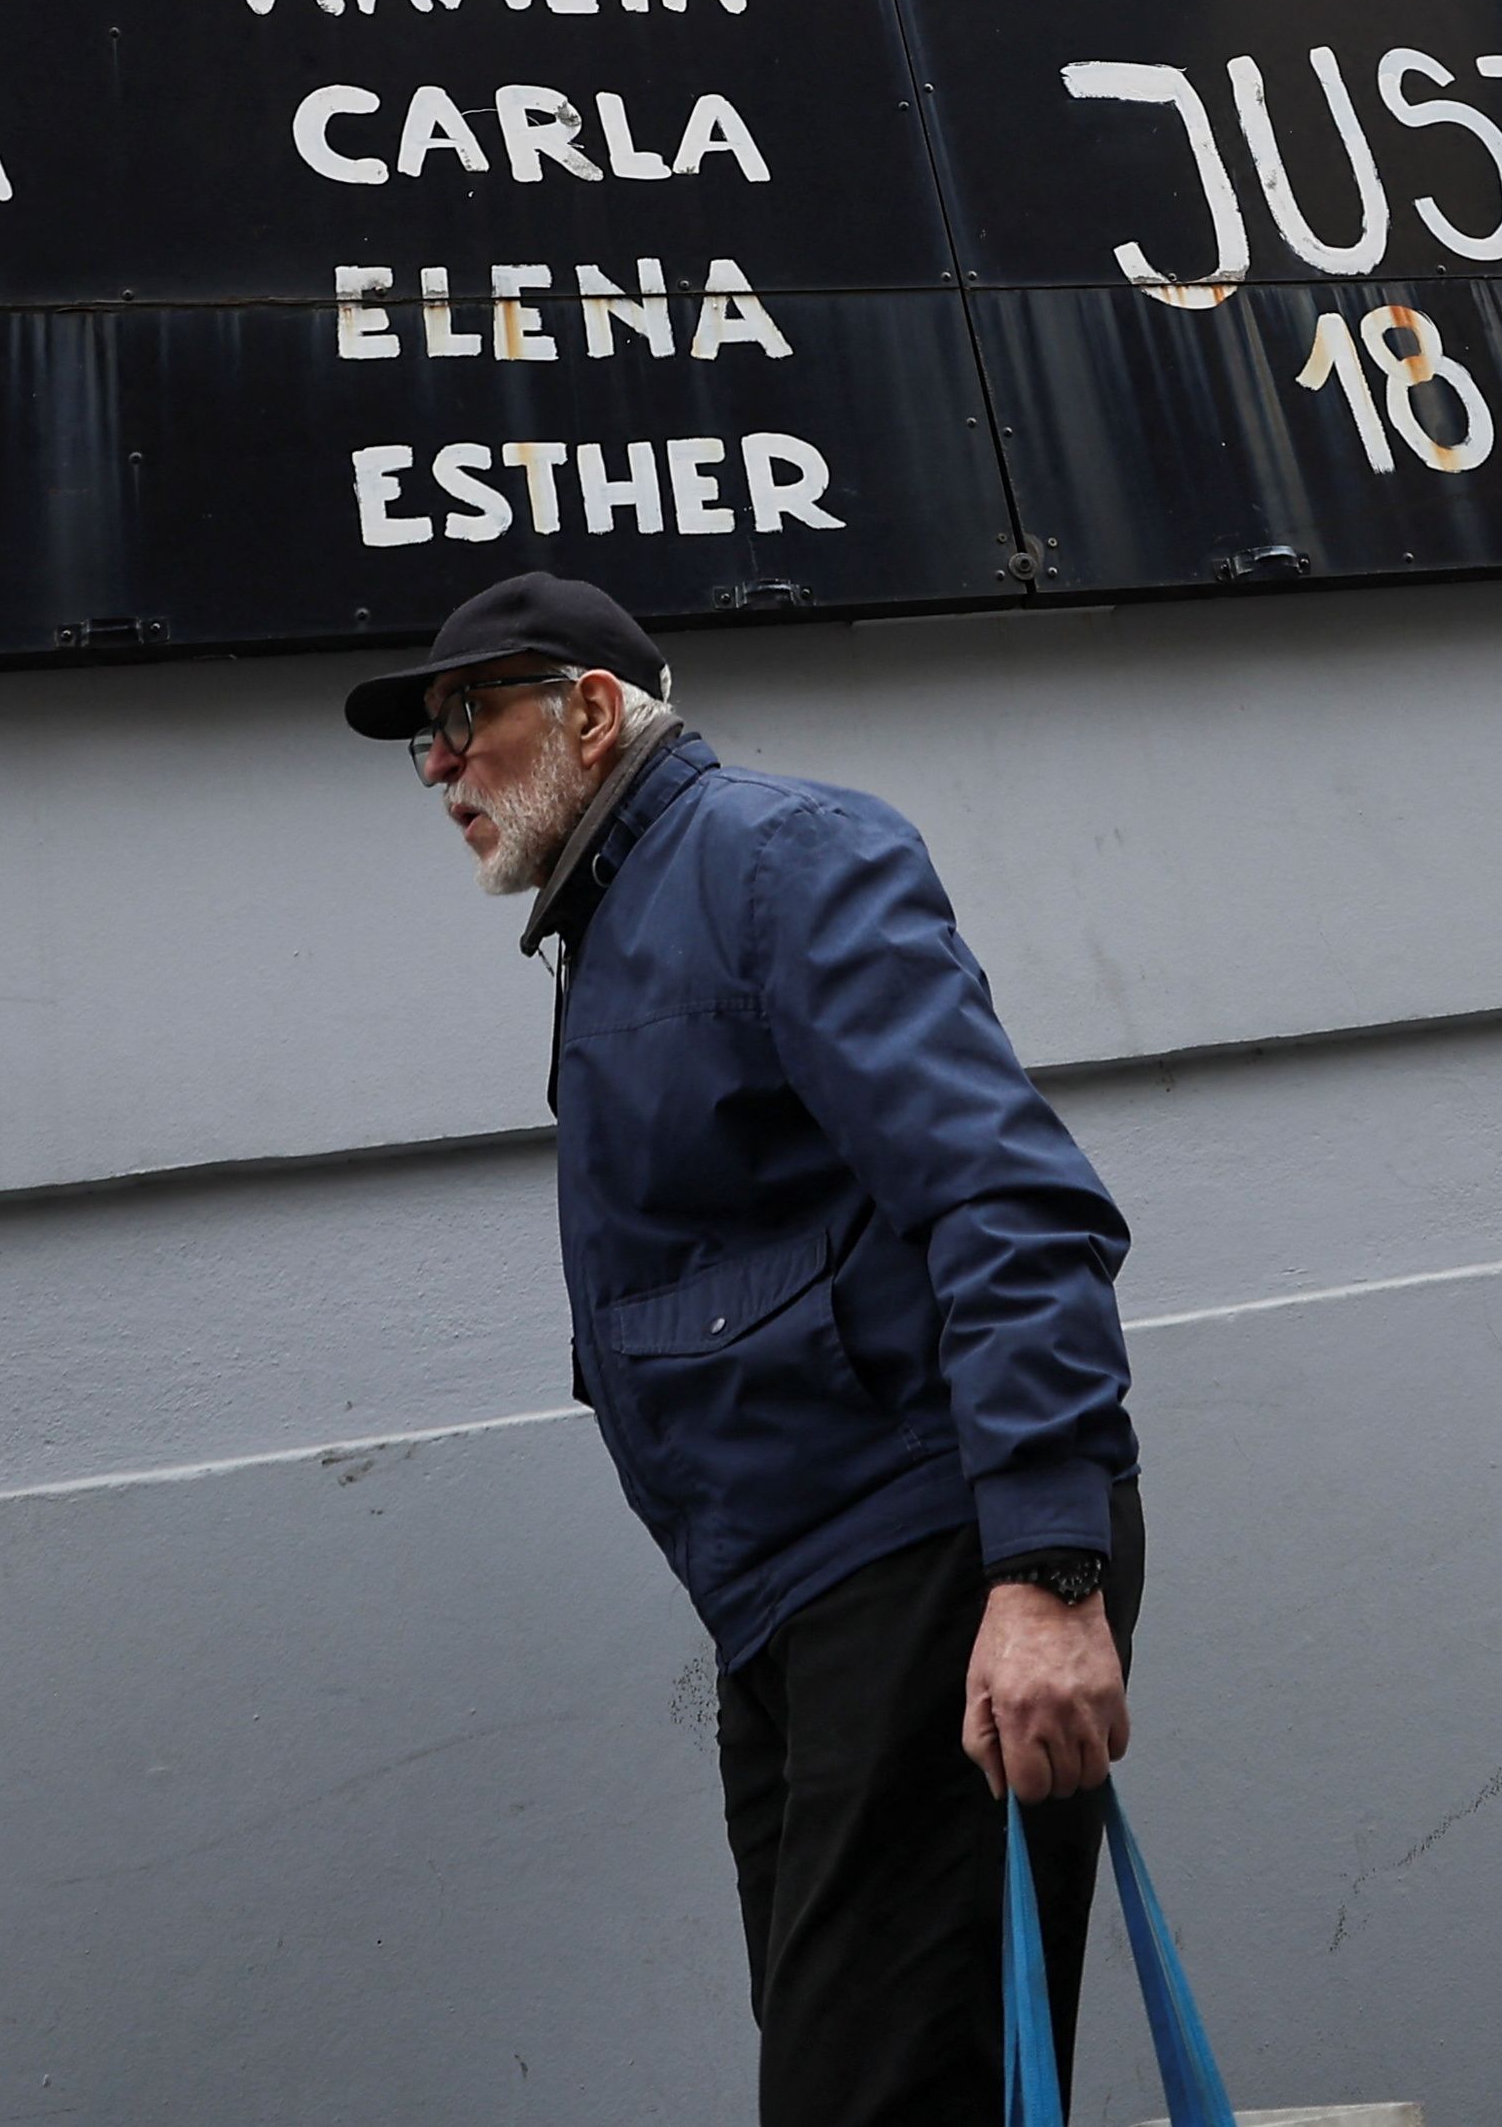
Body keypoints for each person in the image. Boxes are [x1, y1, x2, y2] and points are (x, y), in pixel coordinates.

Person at [355, 572, 1143, 2127]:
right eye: (424, 743)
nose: (438, 768)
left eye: (465, 716)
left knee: (879, 2091)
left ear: (588, 709)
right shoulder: (619, 928)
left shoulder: (774, 857)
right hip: (790, 1606)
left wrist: (1046, 1575)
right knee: (858, 2081)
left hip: (924, 1565)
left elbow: (1008, 1195)